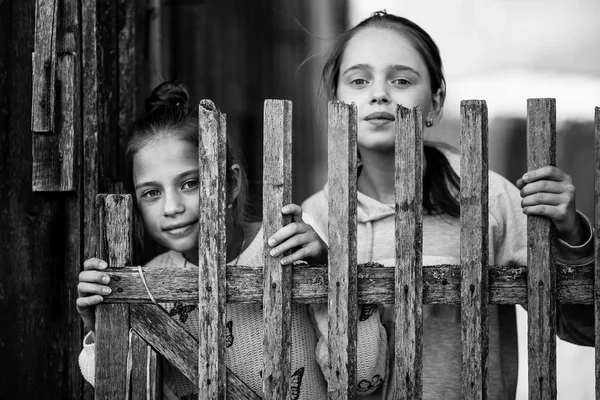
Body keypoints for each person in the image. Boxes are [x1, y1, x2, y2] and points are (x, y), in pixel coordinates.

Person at [301, 11, 595, 400]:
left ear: (436, 101)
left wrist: (572, 235)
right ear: (336, 101)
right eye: (358, 80)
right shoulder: (317, 219)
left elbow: (583, 327)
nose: (379, 93)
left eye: (402, 80)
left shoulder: (489, 200)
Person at [76, 81, 387, 399]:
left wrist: (329, 275)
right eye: (152, 193)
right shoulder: (147, 283)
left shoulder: (287, 249)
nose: (172, 208)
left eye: (190, 183)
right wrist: (103, 327)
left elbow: (363, 376)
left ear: (232, 183)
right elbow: (124, 388)